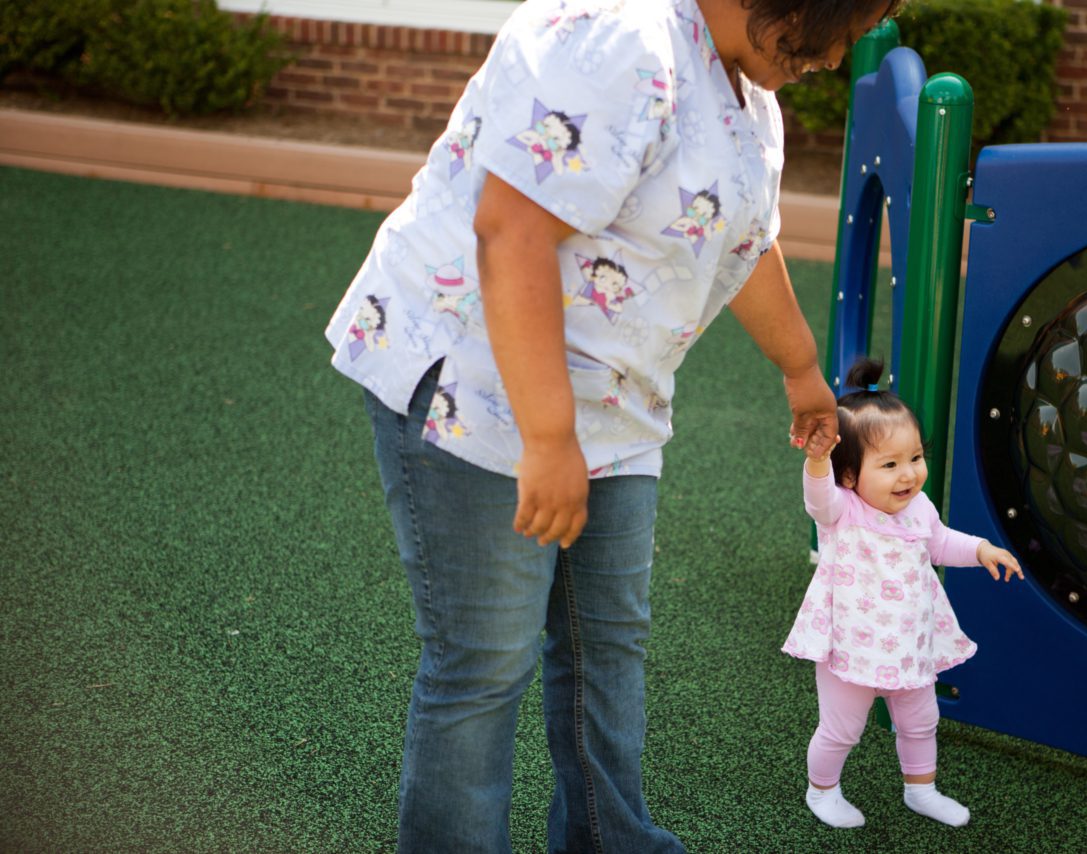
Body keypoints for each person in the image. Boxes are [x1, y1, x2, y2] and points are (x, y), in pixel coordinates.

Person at [324, 0, 902, 850]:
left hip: (616, 408)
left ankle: (608, 840)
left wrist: (802, 370)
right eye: (847, 22)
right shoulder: (624, 38)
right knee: (484, 664)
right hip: (480, 392)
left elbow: (745, 241)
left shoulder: (750, 101)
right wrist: (549, 439)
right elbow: (510, 229)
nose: (845, 51)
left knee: (607, 644)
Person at [782, 358, 1023, 830]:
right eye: (889, 465)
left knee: (921, 720)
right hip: (849, 645)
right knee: (842, 729)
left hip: (909, 643)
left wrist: (980, 550)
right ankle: (822, 791)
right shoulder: (842, 510)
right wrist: (816, 460)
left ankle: (922, 789)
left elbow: (940, 542)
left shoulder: (918, 508)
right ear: (848, 475)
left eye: (915, 457)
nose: (908, 474)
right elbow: (817, 497)